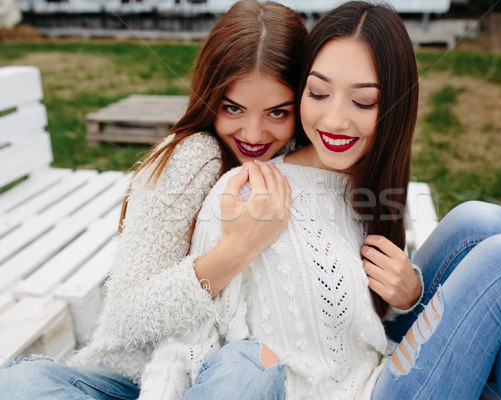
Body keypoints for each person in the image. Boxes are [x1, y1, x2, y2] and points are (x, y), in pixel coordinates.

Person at [142, 1, 501, 399]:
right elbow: (183, 344)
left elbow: (347, 319)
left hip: (374, 371)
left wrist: (411, 299)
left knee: (484, 222)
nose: (334, 118)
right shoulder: (247, 193)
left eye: (363, 100)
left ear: (393, 106)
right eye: (317, 93)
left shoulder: (362, 187)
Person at [0, 1, 309, 398]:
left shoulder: (303, 167)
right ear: (209, 95)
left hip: (236, 379)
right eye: (233, 107)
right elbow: (128, 313)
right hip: (133, 377)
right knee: (20, 385)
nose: (253, 133)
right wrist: (235, 250)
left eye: (277, 113)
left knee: (247, 371)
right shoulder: (196, 157)